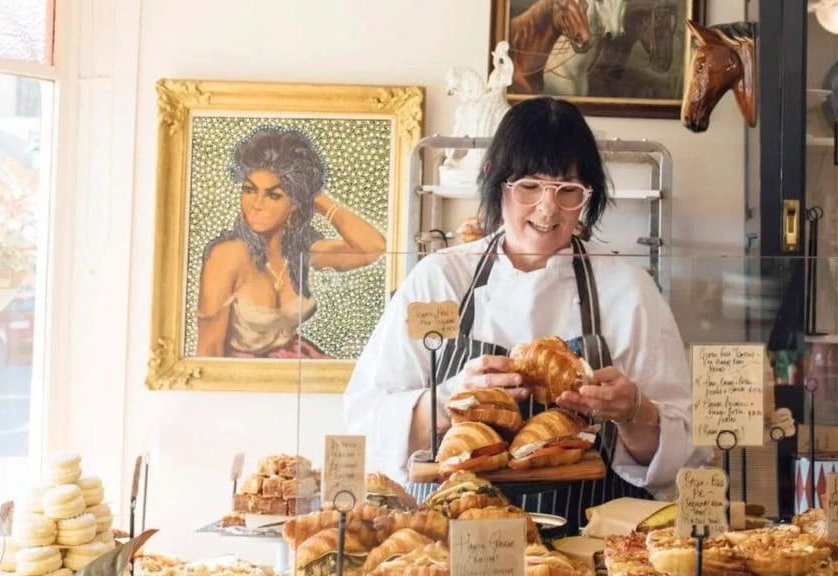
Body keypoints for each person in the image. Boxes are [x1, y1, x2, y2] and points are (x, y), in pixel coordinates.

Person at [345, 97, 702, 521]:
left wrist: (634, 411)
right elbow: (363, 421)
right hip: (450, 541)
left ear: (588, 197)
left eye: (568, 190)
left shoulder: (628, 290)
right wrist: (448, 399)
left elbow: (684, 454)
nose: (548, 209)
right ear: (498, 185)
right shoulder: (440, 278)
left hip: (587, 541)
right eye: (529, 186)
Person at [196, 127, 386, 358]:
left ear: (294, 204)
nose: (256, 204)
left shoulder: (300, 251)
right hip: (246, 377)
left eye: (273, 195)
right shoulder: (228, 255)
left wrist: (320, 202)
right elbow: (209, 350)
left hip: (295, 363)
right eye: (249, 190)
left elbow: (373, 247)